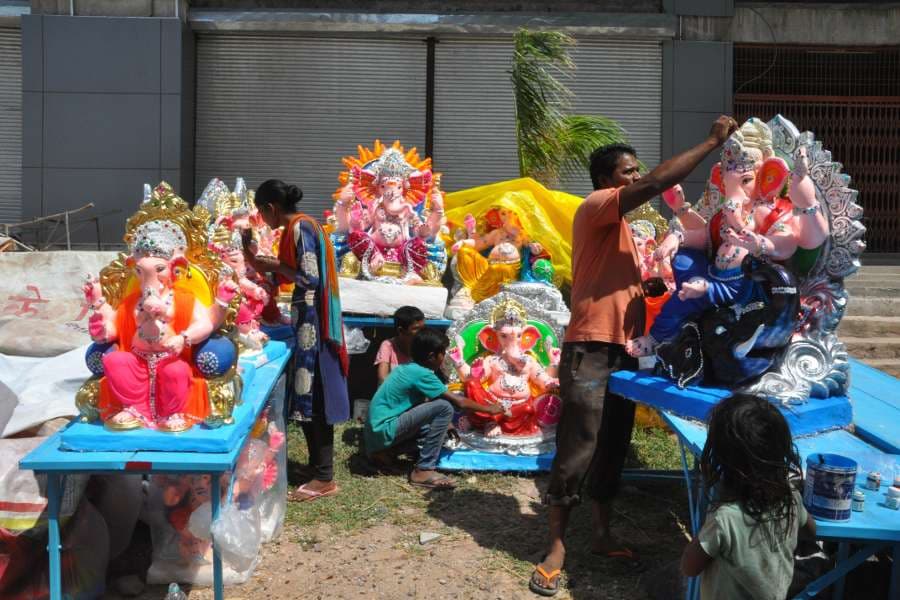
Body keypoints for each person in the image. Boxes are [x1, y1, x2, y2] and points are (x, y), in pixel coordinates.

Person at [530, 115, 740, 597]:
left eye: (634, 171)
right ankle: (556, 547)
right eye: (627, 171)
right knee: (579, 442)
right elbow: (657, 181)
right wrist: (710, 141)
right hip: (590, 346)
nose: (635, 176)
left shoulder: (618, 226)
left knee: (614, 442)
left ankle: (601, 533)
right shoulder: (598, 205)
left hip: (623, 349)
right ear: (608, 180)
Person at [243, 179, 349, 503]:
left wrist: (269, 264)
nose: (265, 223)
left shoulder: (300, 229)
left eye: (262, 215)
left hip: (314, 324)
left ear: (270, 209)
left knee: (315, 396)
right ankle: (318, 468)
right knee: (308, 394)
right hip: (307, 320)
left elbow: (308, 277)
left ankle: (324, 477)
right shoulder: (301, 228)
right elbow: (286, 275)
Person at [681, 393, 816, 599]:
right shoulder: (790, 499)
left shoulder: (725, 519)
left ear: (723, 458)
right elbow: (811, 530)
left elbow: (689, 567)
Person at [364, 328, 506, 489]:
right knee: (444, 407)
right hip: (383, 429)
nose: (444, 357)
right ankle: (423, 470)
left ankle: (385, 454)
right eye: (443, 353)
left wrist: (448, 425)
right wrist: (490, 409)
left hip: (376, 433)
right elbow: (458, 401)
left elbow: (421, 403)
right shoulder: (422, 373)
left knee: (439, 432)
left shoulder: (408, 368)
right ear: (432, 356)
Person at [375, 306, 425, 384]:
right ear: (401, 330)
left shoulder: (424, 346)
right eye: (416, 329)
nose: (421, 333)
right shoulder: (388, 345)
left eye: (423, 328)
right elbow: (382, 377)